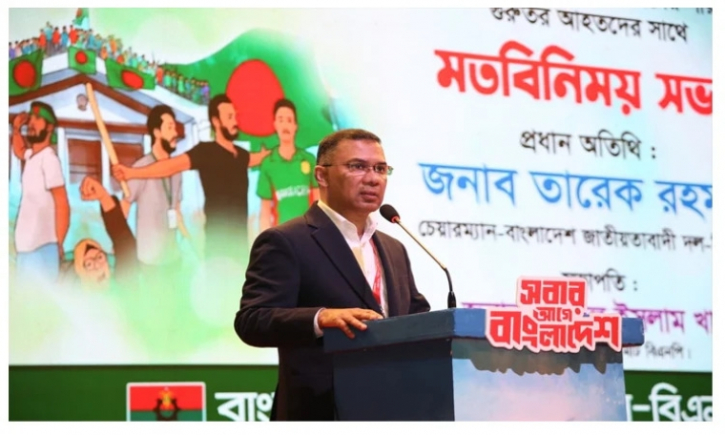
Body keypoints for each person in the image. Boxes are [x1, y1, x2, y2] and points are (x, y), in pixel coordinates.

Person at [235, 128, 431, 421]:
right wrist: (320, 318)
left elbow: (415, 317)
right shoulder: (286, 241)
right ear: (322, 175)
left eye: (380, 169)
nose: (373, 178)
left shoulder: (394, 248)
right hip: (320, 411)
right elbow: (252, 321)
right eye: (357, 166)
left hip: (391, 409)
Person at [112, 94, 270, 263]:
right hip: (217, 249)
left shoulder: (241, 156)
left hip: (240, 248)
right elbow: (171, 166)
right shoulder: (205, 152)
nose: (235, 121)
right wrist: (131, 173)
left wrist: (272, 152)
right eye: (229, 117)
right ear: (216, 121)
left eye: (235, 116)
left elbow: (257, 158)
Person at [121, 105, 189, 282]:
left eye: (175, 127)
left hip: (172, 256)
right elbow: (125, 207)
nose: (175, 133)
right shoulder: (141, 167)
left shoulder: (177, 169)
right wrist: (121, 245)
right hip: (150, 259)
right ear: (157, 132)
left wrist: (189, 240)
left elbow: (177, 210)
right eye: (170, 127)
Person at [11, 101, 70, 284]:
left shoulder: (49, 159)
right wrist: (16, 129)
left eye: (38, 119)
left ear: (49, 127)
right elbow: (20, 151)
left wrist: (59, 243)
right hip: (26, 249)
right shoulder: (32, 156)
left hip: (42, 248)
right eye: (31, 118)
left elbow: (61, 202)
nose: (31, 122)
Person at [257, 98, 319, 232]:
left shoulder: (309, 160)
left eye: (289, 120)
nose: (285, 125)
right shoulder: (268, 164)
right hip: (281, 236)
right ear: (275, 124)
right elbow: (265, 213)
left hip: (308, 234)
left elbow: (318, 202)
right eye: (281, 120)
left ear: (295, 126)